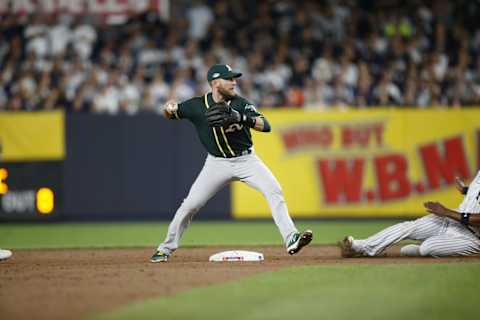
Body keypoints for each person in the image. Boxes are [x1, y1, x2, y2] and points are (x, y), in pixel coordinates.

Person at [150, 64, 313, 262]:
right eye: (229, 79)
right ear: (216, 83)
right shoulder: (196, 106)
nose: (234, 82)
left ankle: (291, 238)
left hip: (246, 160)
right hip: (216, 163)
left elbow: (266, 125)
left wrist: (241, 118)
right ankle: (165, 249)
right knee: (190, 205)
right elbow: (170, 111)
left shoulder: (240, 103)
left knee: (274, 190)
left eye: (234, 78)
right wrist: (169, 108)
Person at [340, 173, 480, 257]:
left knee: (427, 248)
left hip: (471, 236)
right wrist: (465, 190)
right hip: (452, 219)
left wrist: (447, 212)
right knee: (408, 227)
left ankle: (421, 251)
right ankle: (361, 246)